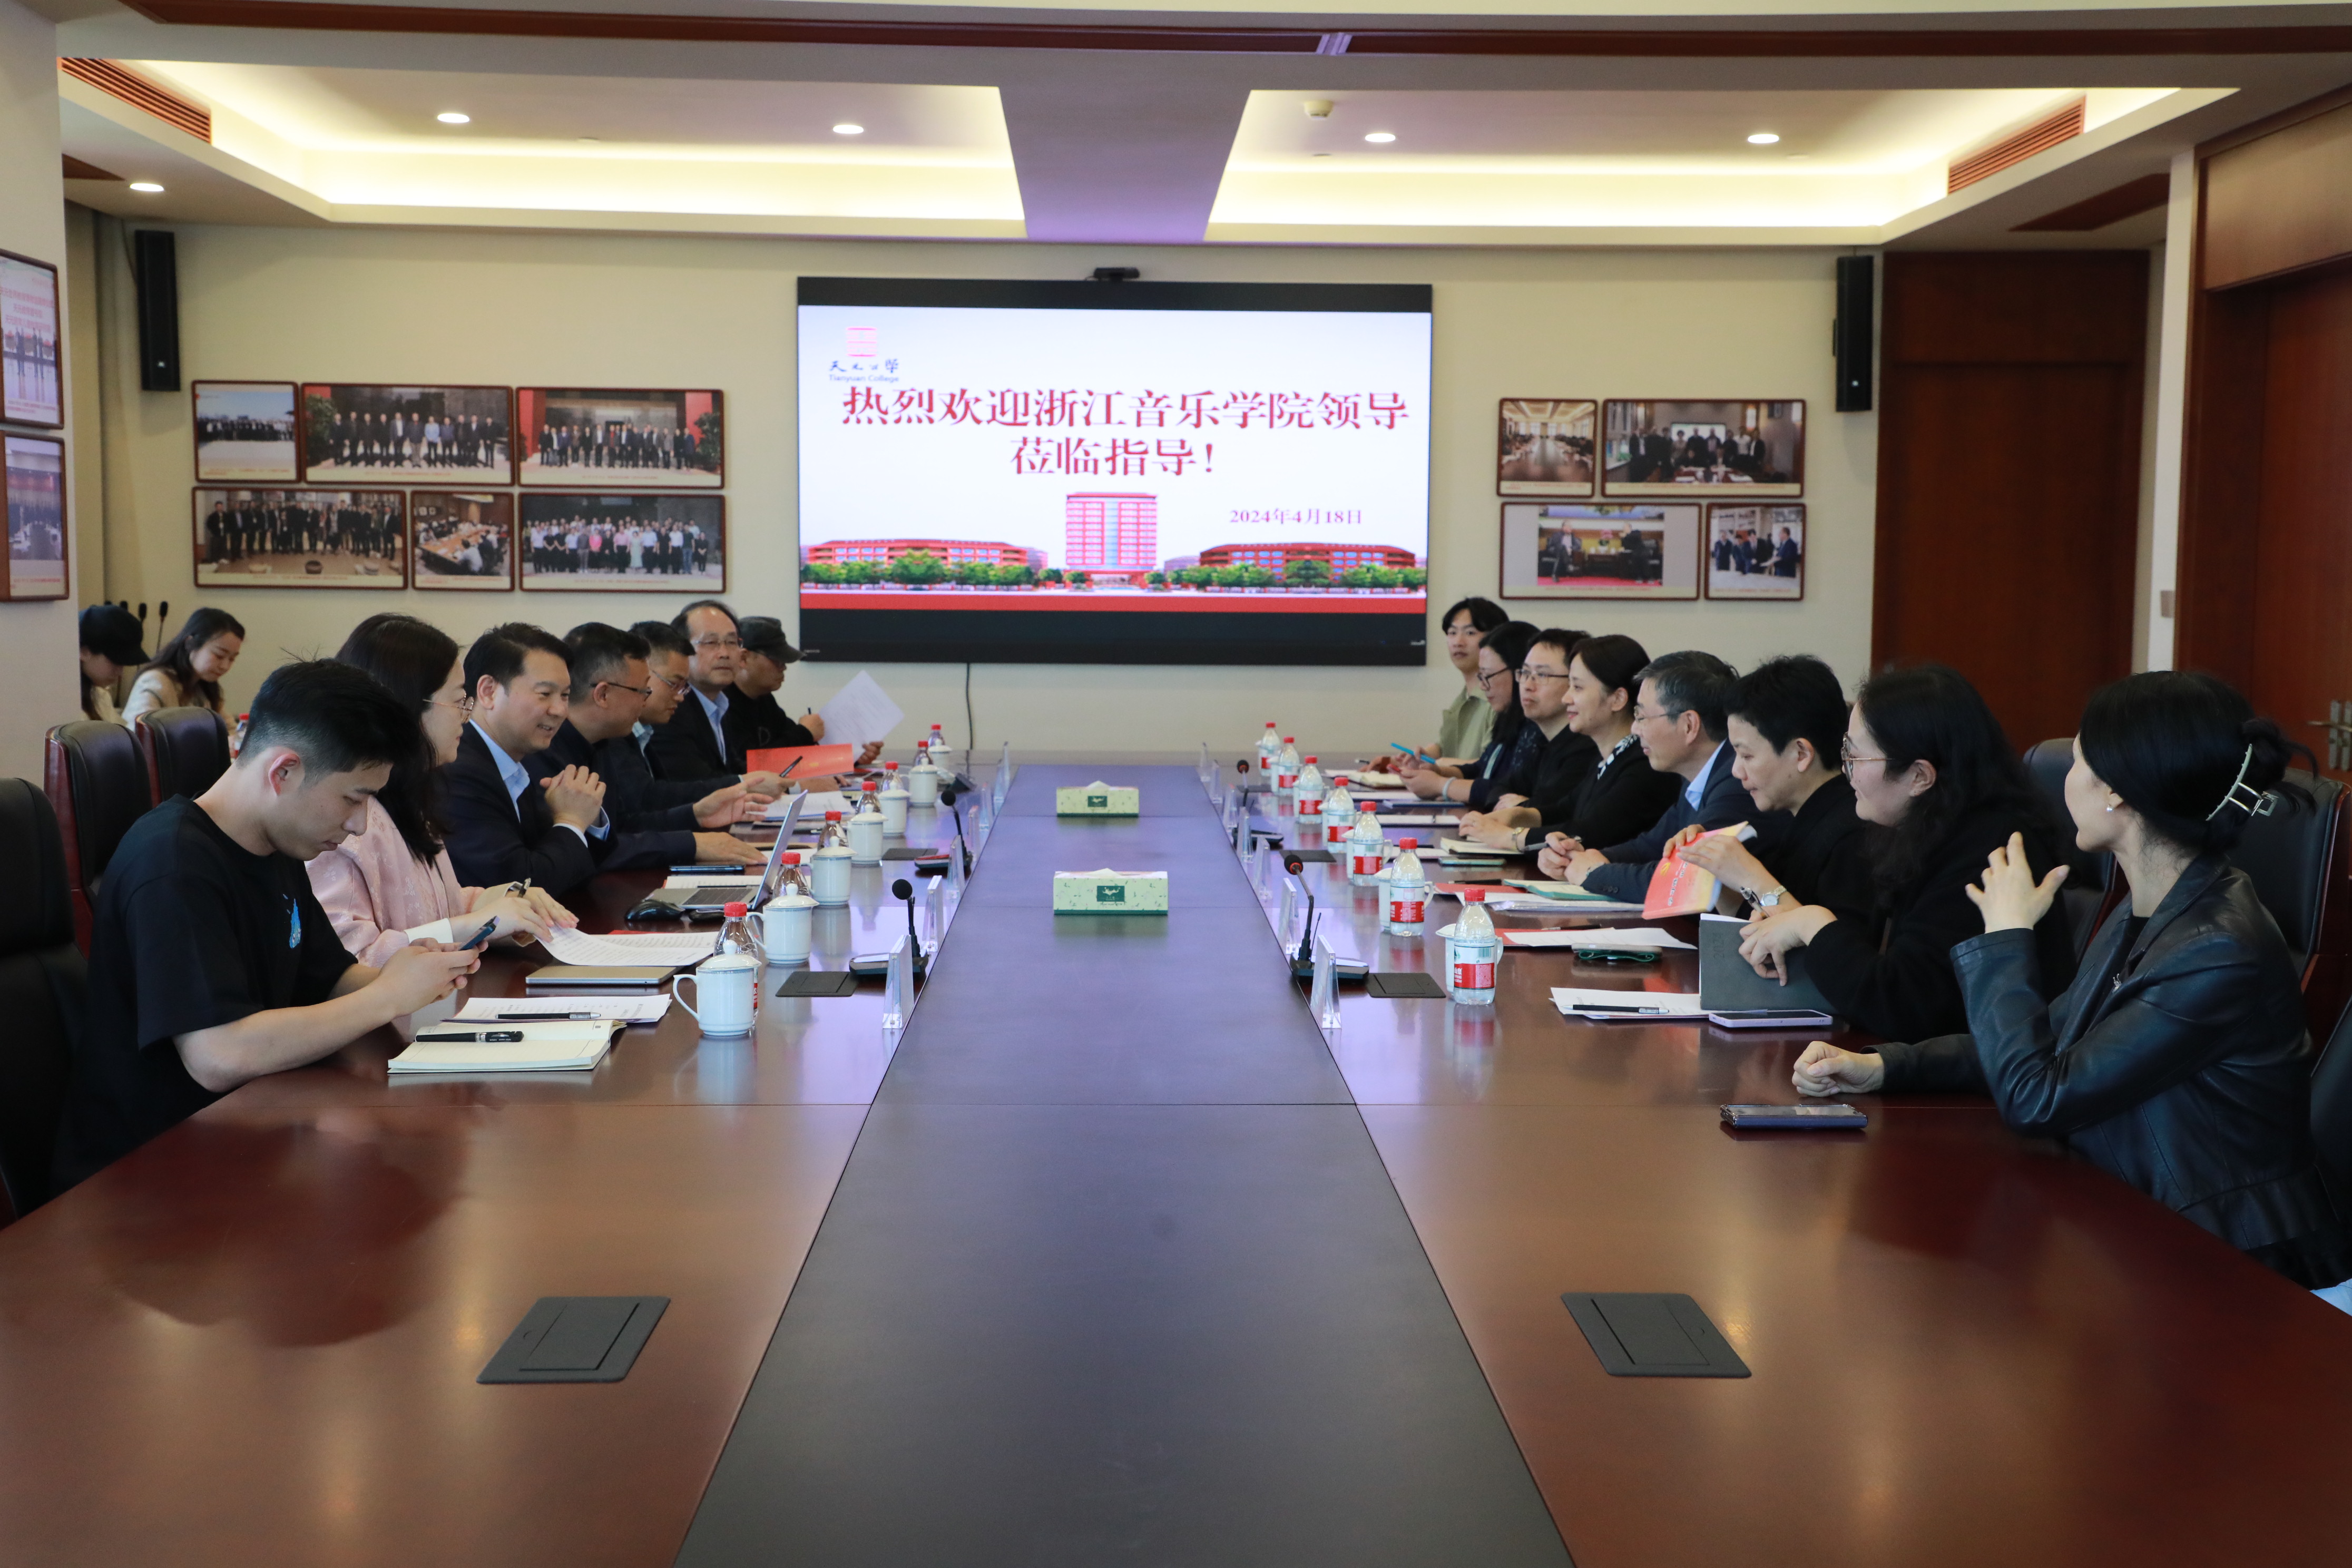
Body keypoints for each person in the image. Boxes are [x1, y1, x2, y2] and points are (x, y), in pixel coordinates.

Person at [1792, 672, 2352, 1292]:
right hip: (2139, 1223)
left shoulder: (2217, 948)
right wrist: (1885, 1066)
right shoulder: (2151, 907)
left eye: (2081, 761)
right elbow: (2056, 1037)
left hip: (2236, 1264)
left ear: (2115, 791)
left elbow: (2038, 1097)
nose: (2067, 779)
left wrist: (2007, 937)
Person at [52, 661, 486, 1188]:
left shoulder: (277, 843)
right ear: (283, 772)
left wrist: (411, 976)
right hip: (149, 1175)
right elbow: (218, 1054)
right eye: (353, 798)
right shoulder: (173, 864)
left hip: (249, 1136)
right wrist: (386, 997)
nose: (359, 825)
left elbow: (328, 978)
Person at [1736, 664, 2075, 1041]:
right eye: (1846, 751)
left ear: (1919, 777)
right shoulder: (1925, 830)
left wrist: (1811, 923)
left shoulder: (1988, 853)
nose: (1847, 772)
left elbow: (1904, 1005)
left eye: (1856, 758)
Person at [307, 614, 574, 966]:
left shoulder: (410, 796)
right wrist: (475, 924)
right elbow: (349, 960)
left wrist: (507, 900)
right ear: (410, 706)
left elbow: (435, 907)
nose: (466, 716)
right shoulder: (344, 818)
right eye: (459, 701)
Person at [1663, 655, 1873, 920]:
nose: (1736, 771)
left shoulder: (1852, 836)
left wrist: (1751, 876)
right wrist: (1713, 870)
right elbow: (1754, 929)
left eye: (1747, 756)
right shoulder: (1795, 819)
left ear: (1801, 754)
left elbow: (1831, 944)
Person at [547, 622, 766, 870]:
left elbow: (621, 827)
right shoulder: (545, 752)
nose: (645, 699)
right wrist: (691, 843)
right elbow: (587, 851)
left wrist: (696, 815)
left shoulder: (600, 743)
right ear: (603, 695)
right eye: (642, 690)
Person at [1538, 651, 1750, 899]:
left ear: (1689, 725)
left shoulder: (1738, 782)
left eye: (1641, 717)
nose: (1635, 729)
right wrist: (1579, 857)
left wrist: (1594, 873)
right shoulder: (1699, 774)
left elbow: (1686, 880)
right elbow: (1649, 846)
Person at [438, 623, 612, 895]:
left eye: (565, 696)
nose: (560, 710)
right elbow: (516, 887)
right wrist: (571, 821)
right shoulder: (459, 770)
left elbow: (574, 869)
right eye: (545, 694)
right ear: (488, 691)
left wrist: (583, 815)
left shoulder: (519, 760)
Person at [1502, 634, 1682, 856]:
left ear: (1617, 699)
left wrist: (1511, 837)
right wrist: (1515, 815)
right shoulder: (1608, 757)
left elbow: (1590, 833)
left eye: (1577, 687)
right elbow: (1566, 810)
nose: (1566, 698)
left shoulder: (1644, 765)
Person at [1453, 627, 1599, 847]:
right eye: (1525, 673)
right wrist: (1522, 807)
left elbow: (1555, 814)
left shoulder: (1586, 748)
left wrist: (1523, 808)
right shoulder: (1544, 741)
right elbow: (1499, 788)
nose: (1528, 686)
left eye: (1542, 675)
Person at [1400, 622, 1538, 808]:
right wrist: (1438, 771)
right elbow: (1483, 768)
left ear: (1519, 672)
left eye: (1488, 676)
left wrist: (1442, 785)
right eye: (1481, 677)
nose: (1482, 686)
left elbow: (1507, 790)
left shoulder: (1536, 727)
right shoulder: (1508, 717)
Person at [645, 598, 747, 781]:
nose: (724, 653)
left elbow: (731, 770)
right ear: (682, 649)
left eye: (732, 642)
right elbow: (694, 782)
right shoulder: (669, 708)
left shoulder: (719, 701)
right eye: (711, 642)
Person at [123, 607, 244, 724]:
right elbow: (140, 733)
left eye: (232, 659)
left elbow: (230, 729)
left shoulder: (205, 688)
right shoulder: (155, 681)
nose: (225, 666)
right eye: (219, 656)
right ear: (190, 644)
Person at [1432, 597, 1507, 765]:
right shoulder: (1463, 698)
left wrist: (1437, 766)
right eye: (1452, 633)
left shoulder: (1498, 700)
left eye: (1470, 633)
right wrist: (1417, 756)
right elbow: (1446, 746)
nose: (1458, 643)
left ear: (1496, 638)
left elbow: (1491, 767)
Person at [78, 603, 146, 724]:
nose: (120, 672)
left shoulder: (100, 696)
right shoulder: (68, 704)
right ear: (84, 652)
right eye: (115, 661)